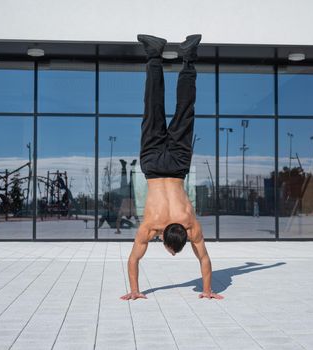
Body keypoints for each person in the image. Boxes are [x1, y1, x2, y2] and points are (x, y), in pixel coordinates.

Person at [121, 34, 223, 301]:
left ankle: (188, 58)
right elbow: (133, 260)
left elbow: (204, 258)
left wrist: (208, 289)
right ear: (164, 239)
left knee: (185, 110)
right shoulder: (150, 226)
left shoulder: (190, 224)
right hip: (154, 165)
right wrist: (134, 291)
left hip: (177, 165)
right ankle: (154, 54)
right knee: (152, 109)